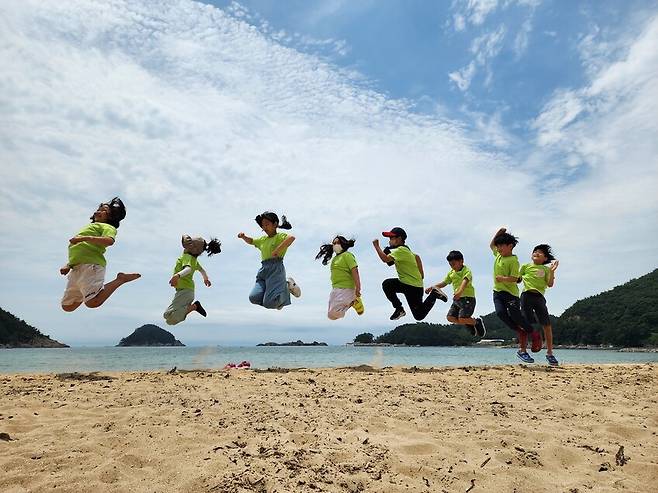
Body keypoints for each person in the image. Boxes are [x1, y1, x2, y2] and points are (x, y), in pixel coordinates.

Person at [60, 198, 140, 311]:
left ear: (111, 217)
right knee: (67, 306)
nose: (99, 211)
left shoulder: (108, 227)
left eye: (104, 210)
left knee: (93, 302)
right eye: (99, 209)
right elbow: (80, 252)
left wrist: (84, 238)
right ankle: (88, 292)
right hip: (76, 269)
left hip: (92, 266)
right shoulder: (88, 227)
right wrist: (68, 265)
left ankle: (120, 279)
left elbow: (109, 241)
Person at [373, 227, 447, 321]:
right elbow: (422, 276)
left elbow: (385, 259)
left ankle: (399, 309)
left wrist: (376, 246)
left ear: (399, 239)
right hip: (416, 287)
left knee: (387, 284)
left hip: (408, 285)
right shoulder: (410, 253)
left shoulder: (401, 250)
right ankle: (434, 294)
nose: (389, 241)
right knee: (419, 316)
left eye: (391, 238)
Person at [490, 227, 539, 363]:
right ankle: (520, 330)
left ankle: (533, 333)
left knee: (516, 316)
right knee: (500, 313)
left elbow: (515, 278)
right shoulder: (498, 255)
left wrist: (502, 278)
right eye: (498, 246)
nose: (498, 248)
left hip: (511, 294)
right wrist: (499, 234)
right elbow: (491, 245)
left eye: (501, 246)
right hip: (497, 292)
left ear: (510, 246)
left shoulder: (513, 261)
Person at [238, 211, 301, 310]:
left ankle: (286, 286)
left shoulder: (279, 237)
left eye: (267, 224)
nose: (264, 227)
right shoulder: (263, 240)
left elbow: (291, 238)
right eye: (263, 225)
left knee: (269, 304)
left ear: (275, 224)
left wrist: (277, 250)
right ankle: (275, 297)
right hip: (263, 270)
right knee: (253, 298)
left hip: (276, 268)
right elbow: (251, 241)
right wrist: (244, 237)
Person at [163, 235, 222, 325]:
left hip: (185, 291)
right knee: (167, 316)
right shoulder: (193, 259)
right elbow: (202, 270)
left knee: (169, 317)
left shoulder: (187, 257)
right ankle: (194, 307)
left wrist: (177, 276)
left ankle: (195, 306)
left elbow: (188, 269)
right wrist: (206, 279)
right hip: (184, 291)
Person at [426, 250, 486, 337]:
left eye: (453, 264)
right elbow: (444, 283)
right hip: (457, 300)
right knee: (450, 318)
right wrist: (432, 287)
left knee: (462, 319)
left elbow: (465, 282)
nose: (452, 267)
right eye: (450, 265)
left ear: (461, 261)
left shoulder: (466, 271)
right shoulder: (451, 273)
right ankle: (468, 323)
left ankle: (476, 322)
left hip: (467, 299)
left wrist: (459, 292)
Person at [519, 244, 560, 365]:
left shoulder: (547, 269)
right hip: (526, 296)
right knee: (526, 323)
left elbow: (550, 284)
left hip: (539, 298)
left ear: (545, 258)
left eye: (540, 252)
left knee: (547, 325)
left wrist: (552, 272)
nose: (536, 253)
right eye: (535, 251)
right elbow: (517, 278)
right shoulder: (525, 266)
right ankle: (522, 350)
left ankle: (550, 353)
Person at [316, 236, 364, 319]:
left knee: (333, 313)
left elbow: (355, 271)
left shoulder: (347, 255)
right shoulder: (335, 258)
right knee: (331, 316)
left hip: (346, 288)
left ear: (343, 244)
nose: (335, 245)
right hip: (335, 288)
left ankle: (354, 301)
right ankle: (353, 301)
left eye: (338, 242)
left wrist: (358, 288)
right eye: (334, 243)